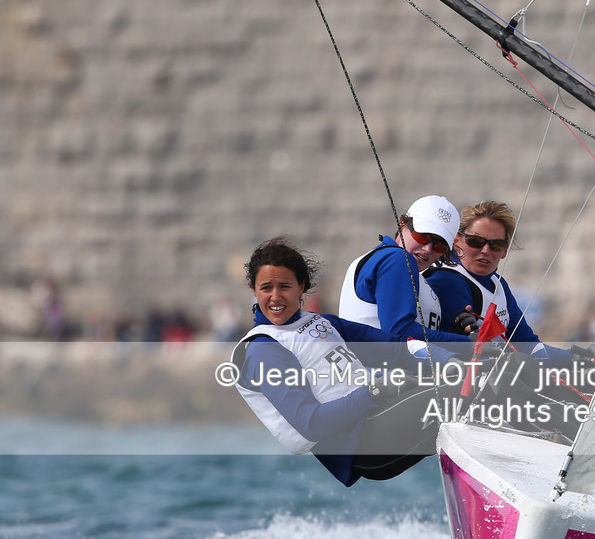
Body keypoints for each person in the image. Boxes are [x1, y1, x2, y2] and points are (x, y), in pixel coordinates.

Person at [233, 238, 449, 485]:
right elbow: (310, 424)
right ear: (253, 289)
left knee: (475, 387)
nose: (275, 297)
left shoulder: (324, 322)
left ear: (301, 287)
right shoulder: (264, 349)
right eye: (266, 288)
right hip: (363, 447)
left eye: (284, 286)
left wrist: (454, 360)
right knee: (464, 394)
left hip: (382, 418)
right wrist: (377, 389)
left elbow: (398, 349)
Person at [425, 200, 553, 354]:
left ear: (505, 250)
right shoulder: (447, 281)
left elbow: (527, 344)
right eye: (475, 241)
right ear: (457, 241)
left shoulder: (497, 283)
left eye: (496, 245)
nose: (485, 250)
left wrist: (574, 357)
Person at [338, 195, 470, 343]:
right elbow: (399, 331)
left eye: (440, 245)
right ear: (403, 224)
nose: (427, 249)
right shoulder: (396, 258)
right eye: (423, 237)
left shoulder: (386, 259)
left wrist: (454, 331)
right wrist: (466, 344)